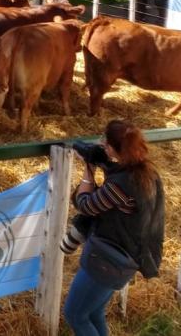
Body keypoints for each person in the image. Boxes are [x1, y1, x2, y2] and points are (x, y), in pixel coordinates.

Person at [62, 120, 165, 336]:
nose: (101, 144)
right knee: (94, 313)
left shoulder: (119, 184)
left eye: (105, 142)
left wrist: (87, 172)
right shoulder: (147, 173)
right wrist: (98, 160)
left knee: (75, 315)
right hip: (127, 259)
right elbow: (112, 169)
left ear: (113, 149)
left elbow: (86, 205)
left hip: (107, 261)